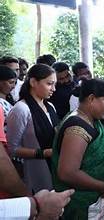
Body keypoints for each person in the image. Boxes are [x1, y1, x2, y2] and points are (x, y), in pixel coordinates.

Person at [52, 79, 104, 219]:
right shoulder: (77, 128)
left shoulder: (89, 119)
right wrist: (103, 187)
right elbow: (67, 172)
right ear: (91, 98)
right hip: (85, 203)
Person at [7, 64, 59, 192]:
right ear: (33, 82)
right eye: (49, 84)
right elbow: (12, 149)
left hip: (56, 167)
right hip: (36, 171)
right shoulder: (21, 109)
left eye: (54, 84)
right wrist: (42, 153)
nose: (54, 89)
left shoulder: (50, 106)